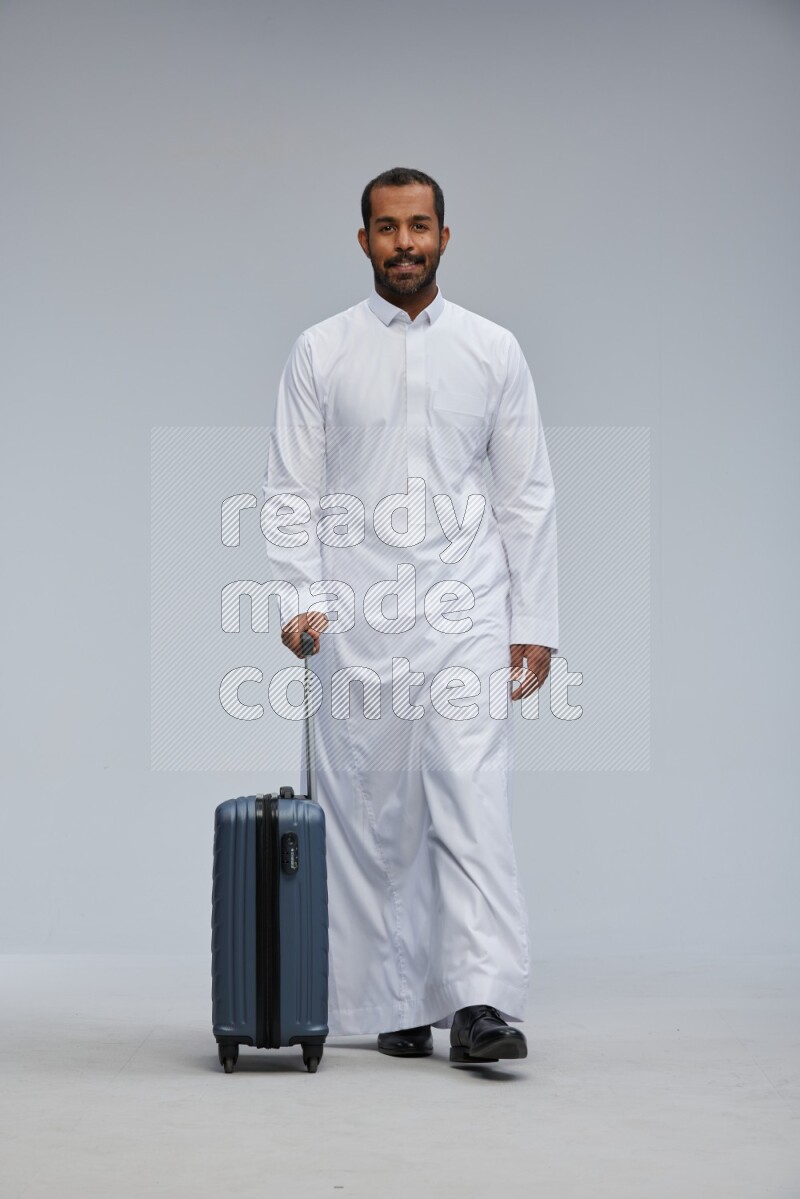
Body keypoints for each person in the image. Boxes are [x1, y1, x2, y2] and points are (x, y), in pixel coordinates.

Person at [261, 167, 559, 1065]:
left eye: (419, 225)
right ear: (363, 241)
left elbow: (527, 493)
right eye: (387, 228)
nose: (404, 242)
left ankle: (480, 1001)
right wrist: (300, 601)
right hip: (358, 607)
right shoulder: (321, 351)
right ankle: (395, 1001)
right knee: (372, 808)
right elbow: (289, 491)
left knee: (472, 796)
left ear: (444, 235)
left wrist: (533, 620)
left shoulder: (492, 349)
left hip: (468, 602)